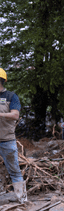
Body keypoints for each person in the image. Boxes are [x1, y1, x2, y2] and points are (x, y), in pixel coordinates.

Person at [0, 68, 26, 202]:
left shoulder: (10, 97)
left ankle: (21, 200)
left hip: (6, 140)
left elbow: (15, 115)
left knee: (14, 171)